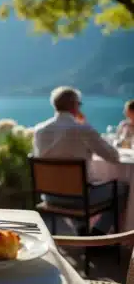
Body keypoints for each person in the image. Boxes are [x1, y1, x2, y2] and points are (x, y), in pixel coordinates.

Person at [33, 86, 124, 235]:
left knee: (78, 184)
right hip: (79, 199)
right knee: (121, 187)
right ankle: (98, 234)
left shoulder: (39, 130)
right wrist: (85, 126)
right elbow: (113, 156)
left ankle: (82, 230)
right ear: (75, 105)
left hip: (49, 196)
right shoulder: (82, 129)